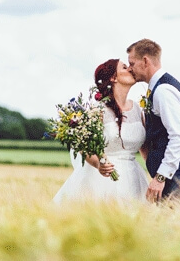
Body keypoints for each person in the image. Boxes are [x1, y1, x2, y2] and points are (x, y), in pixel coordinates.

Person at [53, 59, 149, 204]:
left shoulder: (137, 109)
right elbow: (83, 144)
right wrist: (99, 164)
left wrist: (158, 176)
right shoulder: (98, 110)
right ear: (113, 77)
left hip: (134, 178)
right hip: (103, 178)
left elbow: (145, 149)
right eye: (124, 67)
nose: (130, 69)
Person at [127, 39, 180, 203]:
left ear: (145, 61)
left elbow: (178, 136)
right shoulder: (158, 88)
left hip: (177, 173)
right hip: (174, 172)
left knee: (174, 225)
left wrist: (160, 177)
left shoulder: (163, 91)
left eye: (132, 63)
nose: (130, 69)